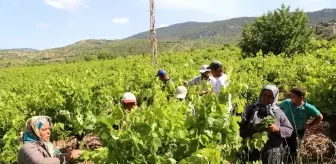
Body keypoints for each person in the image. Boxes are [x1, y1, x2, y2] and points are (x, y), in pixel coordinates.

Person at [240, 85, 293, 164]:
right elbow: (239, 123)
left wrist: (277, 129)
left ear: (274, 98)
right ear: (261, 95)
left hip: (271, 153)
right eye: (264, 95)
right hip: (251, 150)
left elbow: (289, 129)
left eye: (270, 96)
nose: (265, 98)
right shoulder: (251, 109)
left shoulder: (278, 112)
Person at [279, 87, 323, 163]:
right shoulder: (287, 103)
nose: (291, 98)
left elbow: (320, 117)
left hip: (297, 131)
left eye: (294, 97)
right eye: (291, 96)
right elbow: (277, 108)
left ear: (301, 98)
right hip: (284, 129)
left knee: (293, 149)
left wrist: (310, 125)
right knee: (281, 147)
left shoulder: (308, 108)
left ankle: (291, 162)